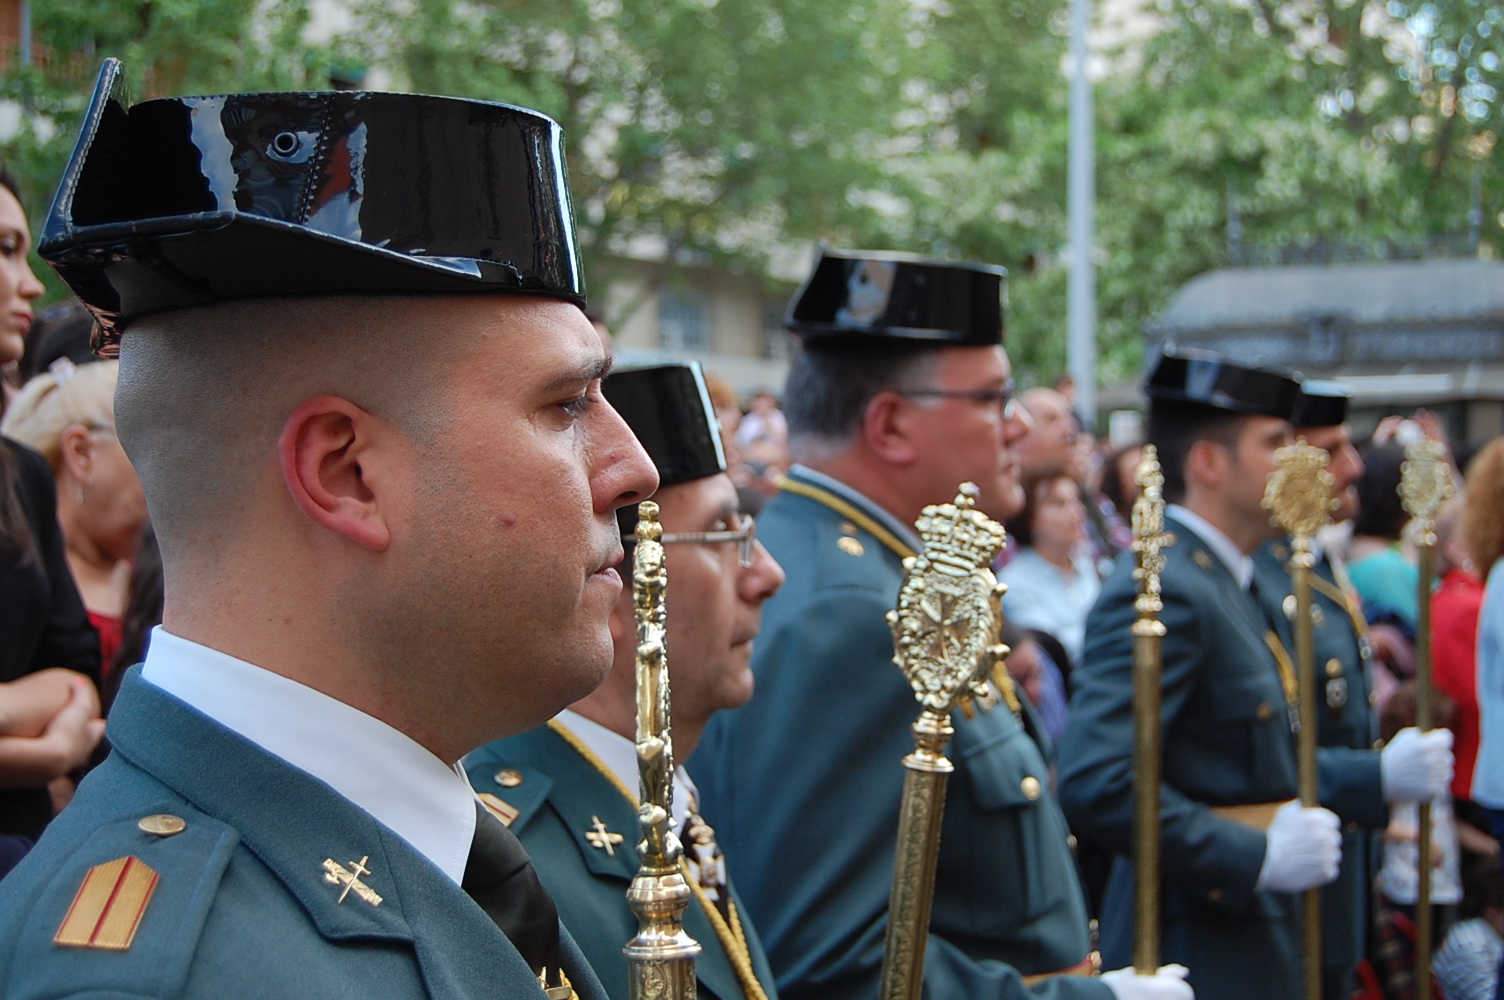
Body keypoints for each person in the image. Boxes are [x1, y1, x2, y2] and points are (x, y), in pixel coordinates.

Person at [0, 61, 659, 999]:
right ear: (346, 473)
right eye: (565, 405)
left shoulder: (432, 853)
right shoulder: (164, 979)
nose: (634, 469)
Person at [693, 248, 1191, 1000]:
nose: (1019, 424)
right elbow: (826, 969)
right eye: (994, 397)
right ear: (891, 425)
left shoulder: (879, 576)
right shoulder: (851, 612)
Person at [1059, 349, 1426, 1000]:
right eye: (1275, 442)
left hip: (1263, 937)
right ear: (1208, 462)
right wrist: (1248, 854)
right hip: (1201, 942)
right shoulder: (1167, 585)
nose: (1297, 462)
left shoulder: (1239, 575)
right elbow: (1099, 780)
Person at [465, 362, 785, 1000]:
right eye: (725, 535)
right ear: (613, 583)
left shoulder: (663, 799)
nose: (766, 574)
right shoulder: (509, 857)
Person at [1249, 380, 1452, 1000]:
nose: (1353, 468)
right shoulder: (1264, 572)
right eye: (1333, 450)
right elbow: (1265, 755)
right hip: (1287, 884)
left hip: (1342, 875)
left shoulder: (1307, 557)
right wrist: (1376, 780)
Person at [0, 166, 104, 850]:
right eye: (6, 250)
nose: (32, 285)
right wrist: (37, 751)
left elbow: (80, 676)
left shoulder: (21, 477)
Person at [3, 359, 149, 678]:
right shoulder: (23, 581)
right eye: (146, 446)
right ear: (80, 452)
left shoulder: (161, 582)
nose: (167, 471)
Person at [999, 467, 1101, 668]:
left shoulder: (1087, 566)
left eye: (1076, 500)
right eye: (1059, 503)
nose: (1076, 512)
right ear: (1030, 517)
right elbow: (1053, 649)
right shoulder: (1013, 582)